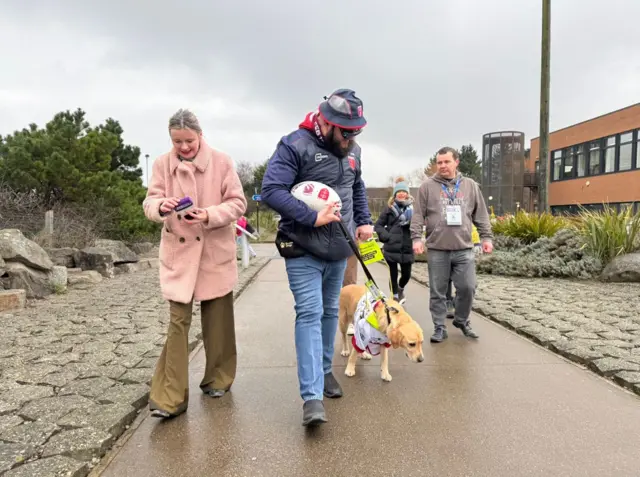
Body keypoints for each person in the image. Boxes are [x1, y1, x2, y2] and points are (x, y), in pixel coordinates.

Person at [261, 88, 373, 426]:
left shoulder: (354, 152)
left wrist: (364, 220)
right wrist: (310, 217)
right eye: (345, 132)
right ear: (325, 121)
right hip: (303, 248)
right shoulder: (295, 144)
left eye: (356, 132)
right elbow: (271, 190)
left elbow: (356, 187)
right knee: (309, 313)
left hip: (339, 249)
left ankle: (325, 372)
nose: (350, 139)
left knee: (328, 313)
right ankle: (311, 397)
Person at [143, 109, 247, 418]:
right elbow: (149, 202)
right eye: (177, 141)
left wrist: (209, 214)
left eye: (189, 141)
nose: (184, 147)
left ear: (200, 135)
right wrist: (161, 206)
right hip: (180, 255)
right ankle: (168, 398)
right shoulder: (162, 163)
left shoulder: (222, 161)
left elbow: (238, 203)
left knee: (218, 322)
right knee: (177, 324)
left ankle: (218, 378)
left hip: (214, 251)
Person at [410, 146, 493, 343]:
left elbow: (480, 214)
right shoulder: (427, 187)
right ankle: (439, 327)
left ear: (456, 162)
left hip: (464, 248)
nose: (443, 166)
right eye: (439, 162)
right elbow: (418, 215)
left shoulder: (470, 185)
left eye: (447, 162)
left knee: (468, 287)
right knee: (437, 291)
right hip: (438, 248)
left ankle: (461, 320)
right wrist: (416, 238)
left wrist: (486, 237)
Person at [374, 176, 415, 304]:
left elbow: (419, 224)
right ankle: (395, 295)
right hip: (392, 247)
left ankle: (401, 288)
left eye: (404, 192)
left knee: (406, 274)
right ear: (395, 194)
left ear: (407, 194)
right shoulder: (389, 209)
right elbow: (378, 225)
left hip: (407, 247)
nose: (402, 194)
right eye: (399, 192)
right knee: (393, 274)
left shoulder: (413, 210)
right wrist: (386, 237)